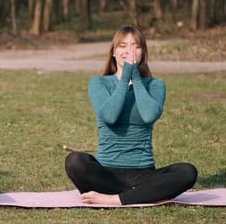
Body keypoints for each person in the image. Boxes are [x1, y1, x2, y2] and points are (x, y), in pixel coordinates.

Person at [64, 25, 197, 206]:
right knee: (74, 161)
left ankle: (117, 199)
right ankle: (140, 195)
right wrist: (126, 75)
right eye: (123, 46)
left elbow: (149, 115)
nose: (129, 51)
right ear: (113, 52)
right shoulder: (99, 83)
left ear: (143, 52)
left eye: (135, 46)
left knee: (187, 172)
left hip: (144, 174)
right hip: (106, 175)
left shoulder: (155, 85)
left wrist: (135, 75)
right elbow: (110, 116)